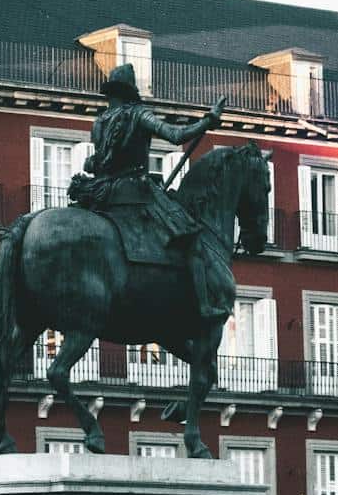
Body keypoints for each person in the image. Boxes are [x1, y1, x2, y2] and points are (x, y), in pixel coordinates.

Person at [66, 67, 233, 322]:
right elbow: (176, 136)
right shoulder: (139, 114)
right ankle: (204, 305)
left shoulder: (99, 122)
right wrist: (208, 120)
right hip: (134, 190)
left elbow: (97, 161)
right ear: (130, 92)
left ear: (112, 93)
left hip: (102, 193)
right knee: (190, 235)